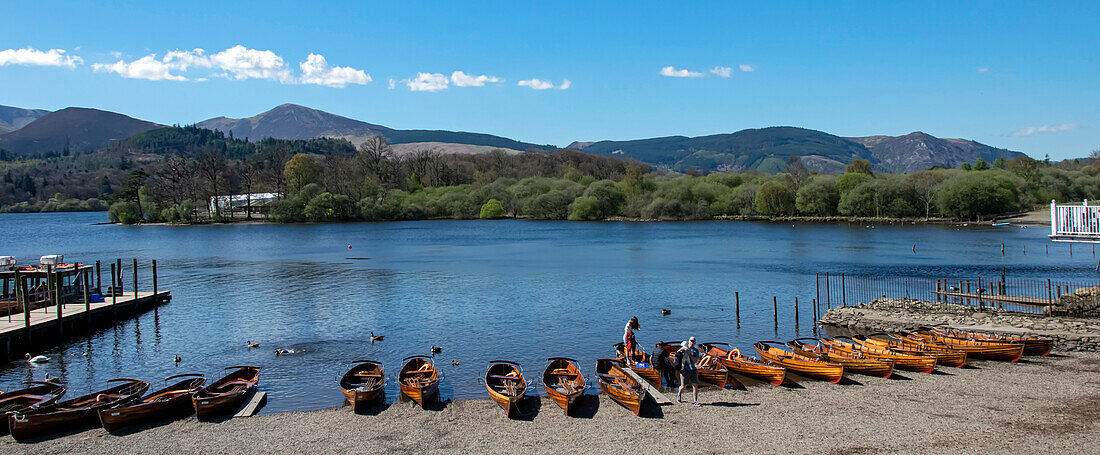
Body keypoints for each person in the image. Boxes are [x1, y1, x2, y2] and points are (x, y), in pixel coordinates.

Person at [676, 337, 701, 406]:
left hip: (693, 370)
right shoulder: (684, 349)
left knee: (695, 385)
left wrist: (689, 354)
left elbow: (695, 361)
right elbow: (677, 355)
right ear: (688, 341)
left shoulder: (696, 351)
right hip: (684, 370)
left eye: (694, 341)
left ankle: (695, 400)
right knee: (683, 386)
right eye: (691, 341)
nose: (692, 342)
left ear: (695, 342)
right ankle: (679, 395)